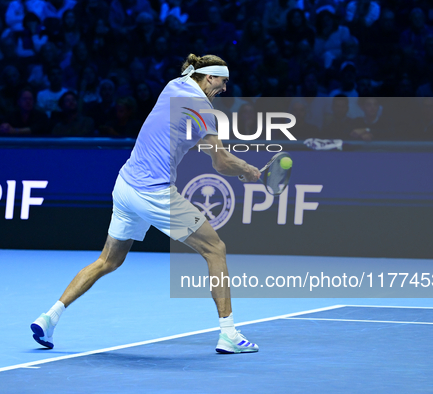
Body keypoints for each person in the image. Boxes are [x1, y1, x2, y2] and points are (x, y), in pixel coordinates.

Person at [30, 53, 261, 354]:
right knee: (215, 249)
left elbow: (198, 144)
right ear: (209, 77)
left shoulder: (174, 86)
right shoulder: (202, 106)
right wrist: (248, 170)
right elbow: (221, 160)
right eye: (223, 81)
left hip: (125, 186)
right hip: (154, 193)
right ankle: (229, 334)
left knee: (108, 261)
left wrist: (232, 165)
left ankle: (49, 318)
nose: (225, 89)